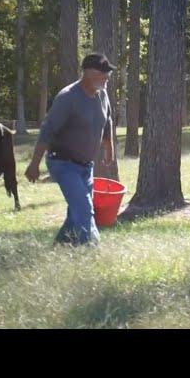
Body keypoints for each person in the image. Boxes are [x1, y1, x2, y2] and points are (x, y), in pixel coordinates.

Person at [25, 52, 115, 246]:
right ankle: (90, 252)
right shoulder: (68, 97)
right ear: (89, 72)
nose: (107, 77)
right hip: (63, 163)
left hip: (86, 166)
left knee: (76, 213)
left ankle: (58, 248)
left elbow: (106, 121)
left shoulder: (102, 94)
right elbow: (47, 130)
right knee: (84, 209)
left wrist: (109, 148)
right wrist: (34, 164)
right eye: (103, 73)